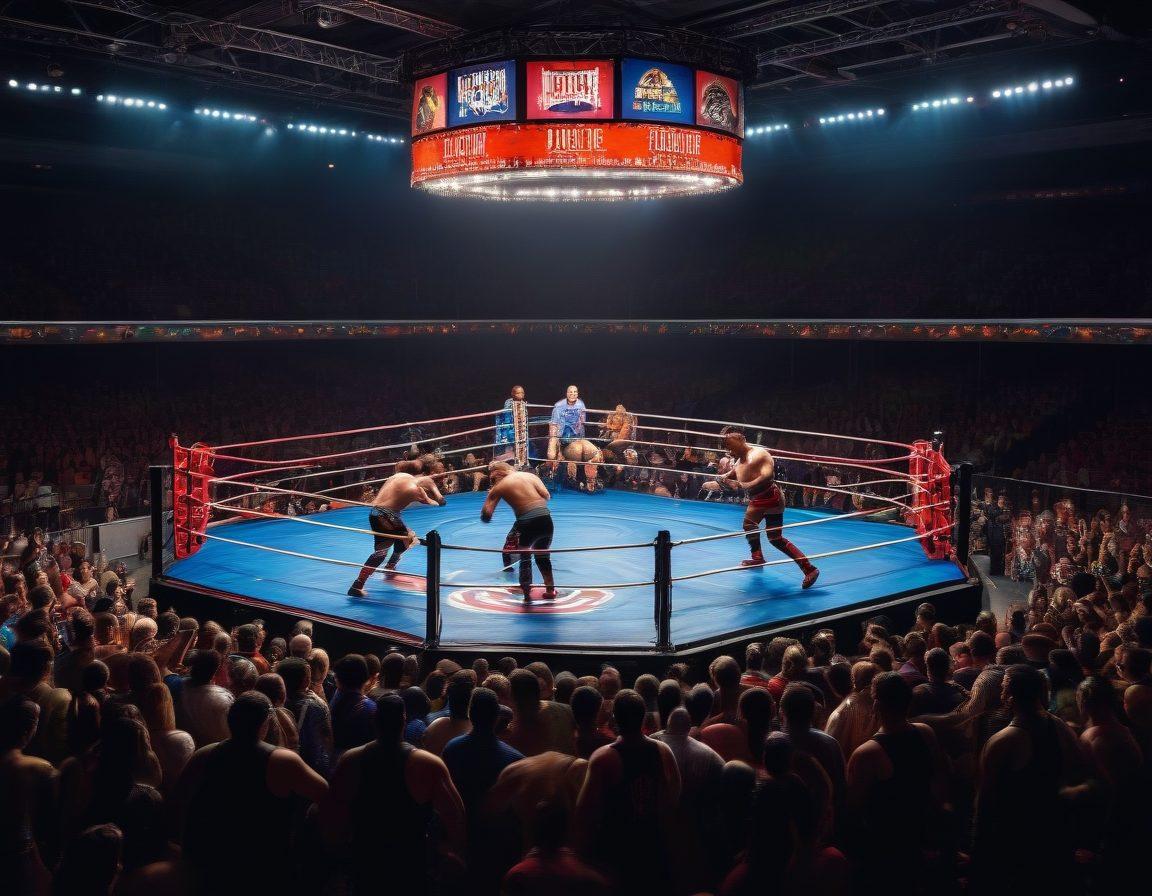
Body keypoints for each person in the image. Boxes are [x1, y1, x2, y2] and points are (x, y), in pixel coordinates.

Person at [179, 692, 329, 894]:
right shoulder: (282, 760)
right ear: (265, 723)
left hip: (217, 859)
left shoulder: (205, 754)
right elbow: (325, 794)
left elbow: (178, 802)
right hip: (266, 861)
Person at [321, 693, 466, 896]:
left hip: (365, 856)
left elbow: (333, 813)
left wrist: (337, 859)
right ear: (404, 720)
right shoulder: (427, 764)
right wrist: (454, 854)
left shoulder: (351, 760)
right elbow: (455, 815)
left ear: (374, 720)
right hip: (411, 860)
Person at [574, 689, 681, 891]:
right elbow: (673, 797)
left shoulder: (603, 757)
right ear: (643, 718)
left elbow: (585, 811)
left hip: (615, 850)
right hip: (653, 845)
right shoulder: (662, 750)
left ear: (614, 718)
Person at [721, 427, 819, 589]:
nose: (729, 450)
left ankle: (761, 558)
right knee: (774, 538)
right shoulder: (739, 461)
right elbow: (735, 473)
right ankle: (808, 569)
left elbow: (766, 475)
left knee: (753, 526)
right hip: (761, 497)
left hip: (769, 496)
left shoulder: (759, 454)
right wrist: (724, 478)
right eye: (728, 447)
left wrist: (743, 485)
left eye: (731, 446)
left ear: (741, 441)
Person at [347, 461, 445, 597]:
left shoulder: (395, 477)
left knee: (392, 543)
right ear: (422, 474)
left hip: (375, 513)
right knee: (408, 539)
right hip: (388, 515)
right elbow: (435, 502)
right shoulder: (418, 487)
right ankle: (385, 569)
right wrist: (438, 497)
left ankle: (359, 584)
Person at [482, 462, 556, 601]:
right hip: (546, 520)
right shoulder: (530, 476)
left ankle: (527, 594)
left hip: (526, 523)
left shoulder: (499, 487)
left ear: (496, 475)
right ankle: (550, 590)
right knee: (543, 556)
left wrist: (496, 494)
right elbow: (546, 495)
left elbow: (486, 515)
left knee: (525, 556)